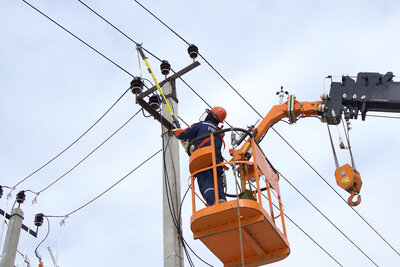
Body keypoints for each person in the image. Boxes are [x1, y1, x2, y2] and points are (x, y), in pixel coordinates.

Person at [172, 106, 227, 206]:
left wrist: (176, 132)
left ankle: (213, 202)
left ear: (210, 115)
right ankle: (222, 201)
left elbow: (184, 134)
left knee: (205, 180)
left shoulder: (201, 125)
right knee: (217, 179)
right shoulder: (219, 133)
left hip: (202, 157)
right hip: (217, 160)